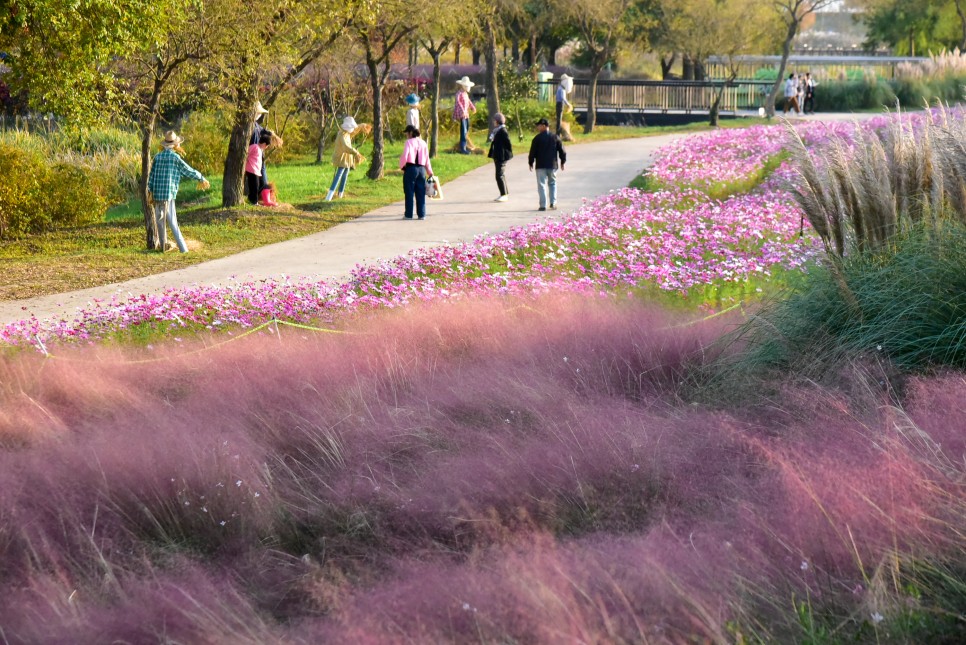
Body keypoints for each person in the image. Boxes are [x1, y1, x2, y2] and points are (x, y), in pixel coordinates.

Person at [146, 130, 209, 253]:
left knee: (160, 223)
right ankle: (183, 249)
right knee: (172, 222)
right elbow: (188, 170)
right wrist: (201, 177)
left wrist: (150, 191)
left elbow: (151, 176)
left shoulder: (157, 157)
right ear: (175, 145)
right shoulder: (175, 158)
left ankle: (163, 248)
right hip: (168, 195)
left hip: (157, 195)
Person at [527, 117, 566, 211]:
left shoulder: (537, 138)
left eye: (539, 126)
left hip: (540, 165)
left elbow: (532, 152)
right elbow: (562, 151)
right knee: (552, 183)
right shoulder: (555, 137)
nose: (538, 128)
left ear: (544, 126)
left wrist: (531, 162)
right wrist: (562, 161)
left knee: (541, 185)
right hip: (552, 165)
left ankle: (543, 205)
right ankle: (553, 203)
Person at [326, 116, 366, 201]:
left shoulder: (347, 134)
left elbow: (355, 130)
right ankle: (329, 197)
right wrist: (356, 152)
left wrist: (361, 126)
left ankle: (340, 194)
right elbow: (346, 147)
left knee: (345, 175)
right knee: (339, 175)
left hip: (347, 158)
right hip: (341, 157)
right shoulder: (342, 134)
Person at [399, 125, 434, 220]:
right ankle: (422, 214)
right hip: (422, 169)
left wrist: (402, 166)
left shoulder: (408, 142)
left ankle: (408, 214)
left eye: (407, 133)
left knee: (409, 192)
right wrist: (430, 171)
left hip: (411, 168)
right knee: (420, 192)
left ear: (410, 133)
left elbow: (405, 156)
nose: (406, 135)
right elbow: (427, 159)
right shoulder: (423, 143)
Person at [487, 112, 513, 202]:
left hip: (501, 156)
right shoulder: (497, 130)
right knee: (501, 175)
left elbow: (508, 143)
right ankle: (504, 193)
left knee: (499, 175)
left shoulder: (502, 131)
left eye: (494, 120)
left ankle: (504, 194)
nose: (494, 122)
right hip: (497, 155)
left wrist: (506, 153)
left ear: (497, 121)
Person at [250, 101, 271, 193]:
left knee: (258, 175)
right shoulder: (253, 126)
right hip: (255, 155)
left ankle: (264, 193)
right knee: (258, 175)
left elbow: (265, 131)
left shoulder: (255, 126)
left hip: (254, 155)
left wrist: (271, 134)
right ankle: (263, 193)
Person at [246, 131, 272, 205]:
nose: (266, 148)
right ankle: (253, 202)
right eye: (267, 146)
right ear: (264, 144)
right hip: (251, 170)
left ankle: (253, 200)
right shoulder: (255, 147)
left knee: (258, 186)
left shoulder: (260, 150)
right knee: (254, 186)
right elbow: (246, 153)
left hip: (256, 171)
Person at [452, 76, 477, 154]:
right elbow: (458, 102)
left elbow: (468, 102)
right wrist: (462, 110)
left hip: (466, 114)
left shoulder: (465, 94)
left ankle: (465, 146)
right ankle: (463, 149)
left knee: (466, 130)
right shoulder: (459, 94)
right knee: (463, 131)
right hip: (462, 115)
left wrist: (473, 107)